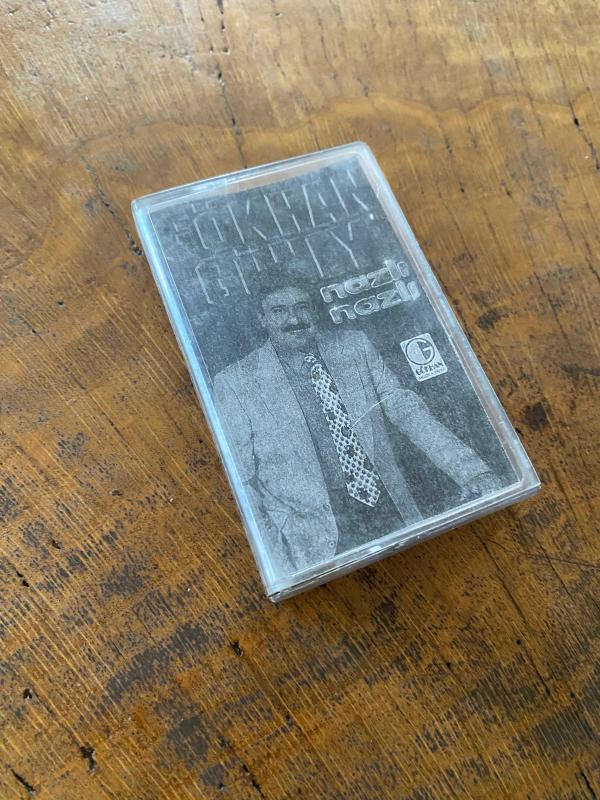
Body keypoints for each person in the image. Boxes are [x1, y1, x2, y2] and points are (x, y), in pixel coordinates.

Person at [213, 280, 500, 576]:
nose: (294, 319)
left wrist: (471, 471)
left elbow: (408, 412)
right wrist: (279, 566)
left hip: (391, 509)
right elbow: (243, 481)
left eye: (301, 307)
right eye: (279, 311)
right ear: (262, 318)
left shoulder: (354, 346)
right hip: (313, 540)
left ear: (313, 310)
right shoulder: (234, 382)